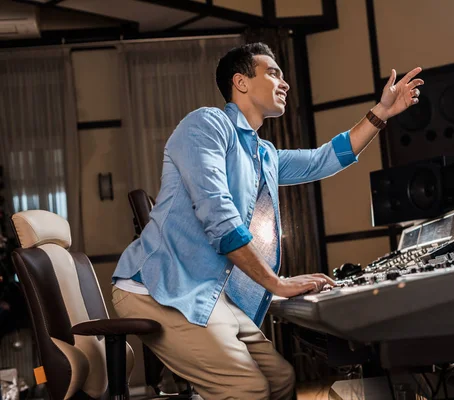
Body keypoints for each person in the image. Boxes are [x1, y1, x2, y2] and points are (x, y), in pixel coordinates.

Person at [112, 42, 423, 399]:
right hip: (158, 289)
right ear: (241, 82)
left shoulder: (263, 154)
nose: (285, 83)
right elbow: (218, 215)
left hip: (207, 293)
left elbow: (322, 160)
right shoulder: (206, 124)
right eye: (273, 73)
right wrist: (276, 283)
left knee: (281, 381)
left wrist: (381, 112)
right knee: (247, 389)